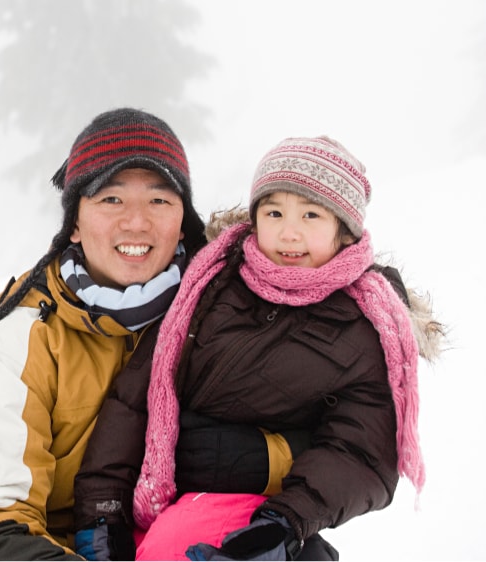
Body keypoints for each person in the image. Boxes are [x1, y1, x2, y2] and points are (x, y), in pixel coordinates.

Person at [75, 135, 443, 560]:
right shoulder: (211, 283)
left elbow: (361, 450)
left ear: (344, 231)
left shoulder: (363, 325)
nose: (289, 232)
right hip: (155, 495)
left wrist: (283, 524)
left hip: (263, 508)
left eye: (311, 214)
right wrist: (100, 513)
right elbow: (133, 400)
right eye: (274, 212)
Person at [0, 107, 210, 560]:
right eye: (111, 199)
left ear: (183, 219)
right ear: (74, 223)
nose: (136, 222)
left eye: (159, 200)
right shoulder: (23, 336)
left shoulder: (217, 316)